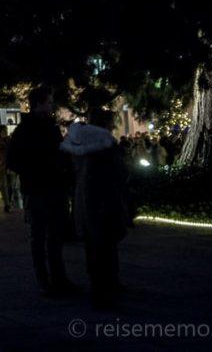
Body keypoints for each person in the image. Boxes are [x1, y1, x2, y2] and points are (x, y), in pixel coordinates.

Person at [6, 86, 77, 296]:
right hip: (38, 188)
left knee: (55, 236)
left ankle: (59, 278)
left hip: (54, 186)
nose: (51, 106)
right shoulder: (26, 130)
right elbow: (14, 160)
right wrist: (35, 171)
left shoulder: (50, 127)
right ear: (37, 104)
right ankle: (45, 280)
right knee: (39, 236)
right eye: (48, 102)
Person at [61, 109, 131, 309]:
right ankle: (105, 288)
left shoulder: (79, 147)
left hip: (86, 201)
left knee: (93, 247)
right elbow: (121, 173)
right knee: (105, 246)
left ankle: (98, 285)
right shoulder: (105, 146)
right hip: (104, 201)